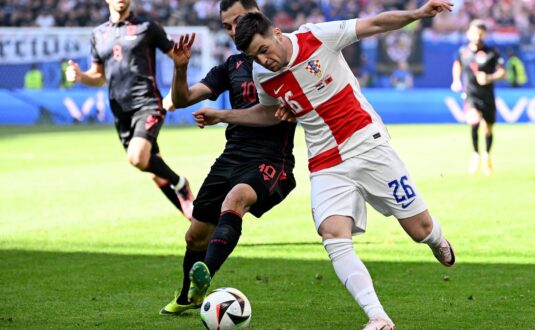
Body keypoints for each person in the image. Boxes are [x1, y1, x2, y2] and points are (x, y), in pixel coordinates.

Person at [193, 3, 455, 329]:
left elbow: (375, 24)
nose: (263, 60)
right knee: (332, 234)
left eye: (263, 49)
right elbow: (266, 112)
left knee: (420, 230)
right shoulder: (262, 73)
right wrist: (223, 115)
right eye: (254, 56)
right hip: (324, 160)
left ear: (276, 33)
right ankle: (379, 317)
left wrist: (416, 15)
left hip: (367, 144)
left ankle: (437, 239)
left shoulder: (319, 36)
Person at [159, 0, 297, 315]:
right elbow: (182, 99)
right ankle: (187, 297)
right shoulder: (232, 66)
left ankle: (206, 277)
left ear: (257, 15)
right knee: (195, 236)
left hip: (271, 159)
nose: (234, 31)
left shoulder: (283, 54)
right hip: (232, 156)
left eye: (238, 22)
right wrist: (180, 69)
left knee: (235, 200)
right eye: (227, 26)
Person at [65, 0, 194, 220]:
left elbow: (179, 58)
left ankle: (181, 184)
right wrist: (80, 76)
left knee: (136, 157)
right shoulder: (98, 34)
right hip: (120, 110)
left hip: (148, 103)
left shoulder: (148, 27)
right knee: (154, 171)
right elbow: (99, 76)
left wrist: (176, 92)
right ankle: (197, 222)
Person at [451, 19, 505, 176]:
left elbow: (503, 73)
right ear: (468, 33)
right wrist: (456, 80)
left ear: (485, 34)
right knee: (473, 121)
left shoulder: (492, 53)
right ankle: (475, 154)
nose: (477, 37)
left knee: (488, 129)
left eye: (480, 34)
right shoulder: (463, 52)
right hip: (471, 95)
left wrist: (489, 77)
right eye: (474, 33)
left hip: (487, 96)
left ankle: (487, 155)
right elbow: (457, 65)